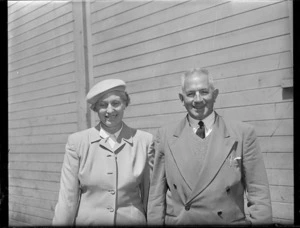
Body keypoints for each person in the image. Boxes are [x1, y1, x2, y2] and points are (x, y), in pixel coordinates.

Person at [147, 68, 272, 225]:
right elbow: (156, 196)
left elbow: (258, 192)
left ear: (215, 94)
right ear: (181, 98)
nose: (198, 99)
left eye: (204, 92)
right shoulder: (165, 135)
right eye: (191, 94)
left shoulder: (243, 134)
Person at [52, 79, 154, 226]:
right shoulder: (78, 142)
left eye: (116, 103)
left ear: (125, 104)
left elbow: (150, 196)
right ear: (95, 109)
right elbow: (67, 199)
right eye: (103, 105)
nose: (110, 110)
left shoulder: (144, 141)